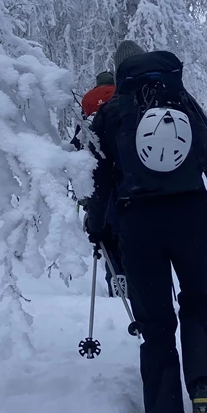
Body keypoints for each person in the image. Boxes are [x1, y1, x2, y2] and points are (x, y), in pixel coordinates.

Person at [85, 40, 207, 413]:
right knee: (199, 301)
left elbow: (99, 179)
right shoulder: (182, 102)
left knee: (155, 325)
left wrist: (96, 226)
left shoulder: (112, 113)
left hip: (138, 225)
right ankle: (203, 390)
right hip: (191, 216)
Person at [72, 71, 127, 298]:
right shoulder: (123, 96)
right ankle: (131, 273)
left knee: (104, 228)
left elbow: (80, 138)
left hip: (97, 172)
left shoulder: (87, 100)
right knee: (125, 227)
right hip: (123, 172)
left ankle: (115, 276)